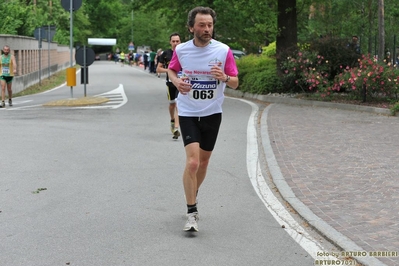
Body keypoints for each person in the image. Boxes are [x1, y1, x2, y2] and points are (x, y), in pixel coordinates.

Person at [167, 6, 239, 232]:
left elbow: (236, 81)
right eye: (202, 25)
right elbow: (171, 70)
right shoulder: (182, 51)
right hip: (188, 112)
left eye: (210, 25)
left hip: (212, 113)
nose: (207, 29)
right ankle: (192, 212)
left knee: (204, 162)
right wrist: (177, 82)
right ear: (191, 27)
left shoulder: (223, 50)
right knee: (193, 162)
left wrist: (225, 77)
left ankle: (193, 193)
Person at [156, 33, 181, 139]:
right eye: (173, 41)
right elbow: (158, 69)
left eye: (177, 41)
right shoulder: (165, 54)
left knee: (179, 104)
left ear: (180, 42)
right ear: (170, 42)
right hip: (170, 83)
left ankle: (176, 128)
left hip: (181, 82)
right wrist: (169, 70)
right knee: (172, 105)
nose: (175, 43)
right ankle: (172, 119)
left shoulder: (184, 52)